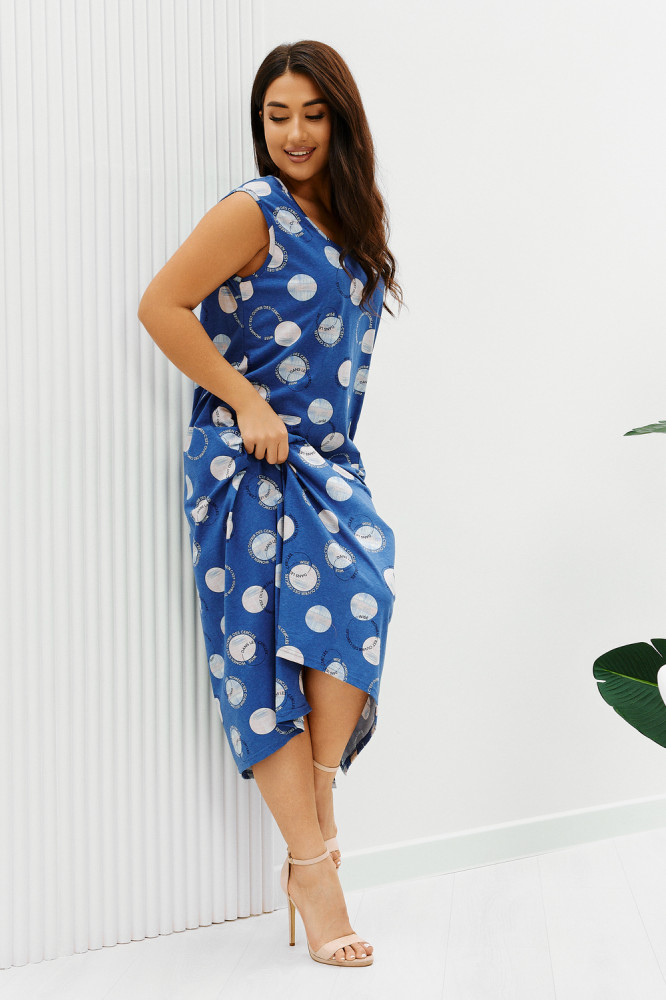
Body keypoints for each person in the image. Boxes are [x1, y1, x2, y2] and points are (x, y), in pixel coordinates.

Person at [138, 38, 403, 968]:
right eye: (277, 115)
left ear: (342, 122)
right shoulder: (251, 210)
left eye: (312, 114)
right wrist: (246, 401)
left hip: (328, 463)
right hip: (245, 462)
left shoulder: (353, 217)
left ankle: (316, 818)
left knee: (357, 612)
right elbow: (161, 305)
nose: (294, 132)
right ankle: (316, 874)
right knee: (261, 663)